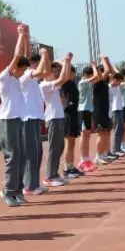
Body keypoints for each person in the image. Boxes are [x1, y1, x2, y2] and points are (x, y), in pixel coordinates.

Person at [0, 26, 30, 207]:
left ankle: (17, 189)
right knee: (12, 156)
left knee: (21, 155)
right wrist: (19, 35)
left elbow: (23, 56)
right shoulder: (5, 77)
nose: (23, 73)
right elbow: (17, 56)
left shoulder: (17, 79)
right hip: (7, 120)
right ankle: (8, 191)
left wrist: (26, 37)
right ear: (14, 68)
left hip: (17, 120)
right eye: (21, 70)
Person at [41, 53, 74, 187]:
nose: (54, 72)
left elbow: (65, 77)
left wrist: (67, 62)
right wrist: (65, 61)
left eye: (55, 70)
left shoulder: (54, 84)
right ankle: (49, 176)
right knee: (54, 148)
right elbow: (61, 79)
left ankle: (54, 174)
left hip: (59, 117)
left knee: (60, 147)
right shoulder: (44, 85)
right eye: (52, 70)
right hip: (52, 118)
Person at [21, 48, 50, 197]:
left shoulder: (34, 81)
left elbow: (44, 72)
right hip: (27, 118)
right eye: (38, 64)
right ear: (32, 64)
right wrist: (45, 55)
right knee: (31, 154)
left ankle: (34, 183)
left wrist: (44, 57)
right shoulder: (26, 75)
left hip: (35, 118)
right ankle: (28, 186)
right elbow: (41, 72)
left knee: (37, 152)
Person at [59, 58, 84, 179]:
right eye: (70, 72)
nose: (72, 75)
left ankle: (71, 166)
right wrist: (65, 62)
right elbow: (64, 71)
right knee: (69, 143)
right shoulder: (65, 83)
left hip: (74, 114)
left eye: (72, 72)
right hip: (68, 114)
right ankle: (66, 168)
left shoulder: (73, 84)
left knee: (72, 143)